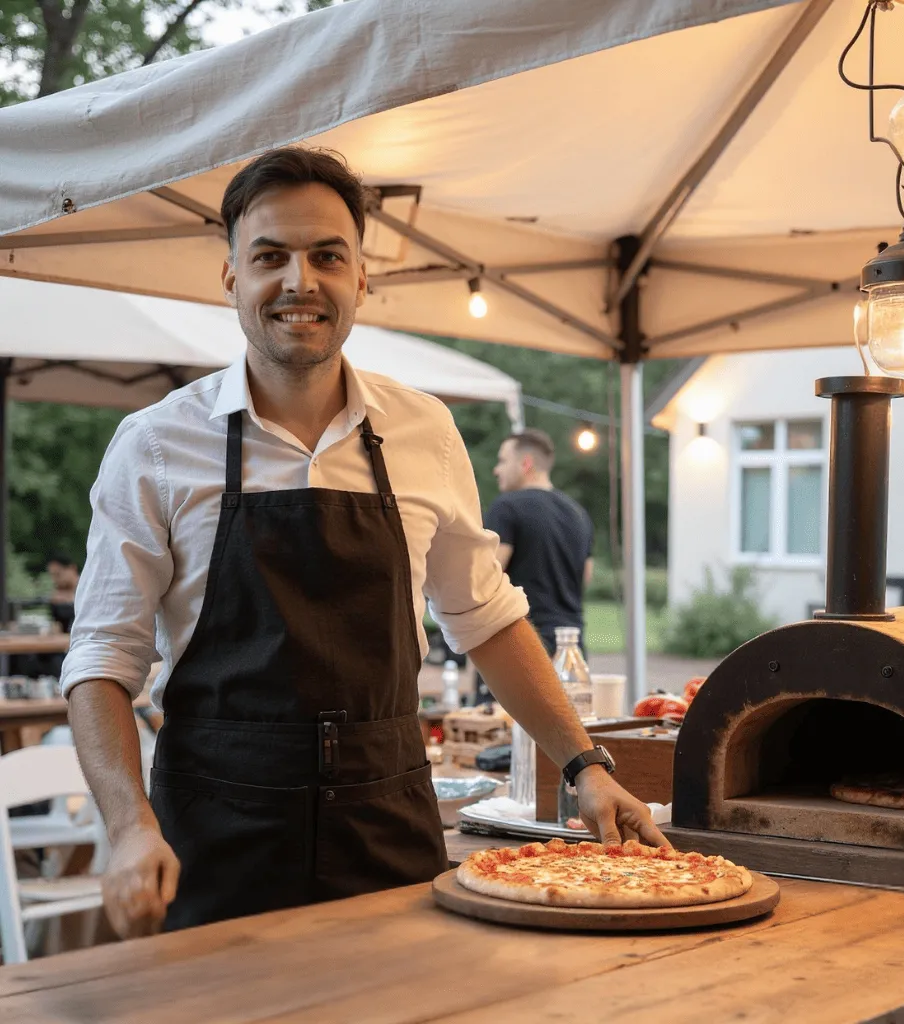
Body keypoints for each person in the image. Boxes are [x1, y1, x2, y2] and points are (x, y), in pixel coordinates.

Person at [63, 147, 666, 939]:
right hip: (215, 836)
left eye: (327, 256)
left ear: (361, 279)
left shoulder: (425, 431)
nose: (299, 281)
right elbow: (103, 660)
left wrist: (587, 766)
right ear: (231, 278)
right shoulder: (154, 444)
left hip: (388, 829)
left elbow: (485, 617)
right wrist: (130, 825)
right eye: (270, 256)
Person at [488, 430, 594, 656]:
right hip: (572, 648)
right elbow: (585, 576)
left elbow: (488, 576)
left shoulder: (506, 507)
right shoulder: (579, 514)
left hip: (523, 647)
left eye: (503, 461)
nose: (496, 470)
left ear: (526, 464)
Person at [46, 552, 80, 635]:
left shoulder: (87, 587)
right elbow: (56, 627)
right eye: (52, 575)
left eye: (58, 574)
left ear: (72, 568)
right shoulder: (57, 598)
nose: (55, 579)